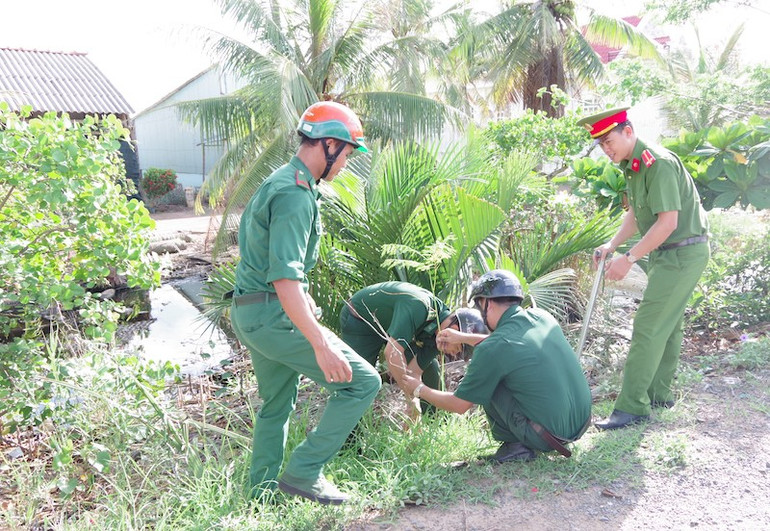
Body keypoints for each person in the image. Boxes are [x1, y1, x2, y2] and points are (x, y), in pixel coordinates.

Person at [229, 101, 382, 505]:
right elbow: (284, 277)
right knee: (362, 383)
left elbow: (271, 263)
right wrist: (320, 343)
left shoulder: (280, 181)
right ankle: (304, 472)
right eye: (347, 154)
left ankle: (260, 496)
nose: (346, 163)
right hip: (274, 316)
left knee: (276, 404)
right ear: (329, 145)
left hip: (251, 312)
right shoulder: (295, 195)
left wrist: (303, 297)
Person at [577, 107, 710, 430]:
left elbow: (668, 223)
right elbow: (637, 213)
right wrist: (612, 245)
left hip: (683, 253)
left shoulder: (657, 163)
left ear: (628, 131)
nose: (607, 150)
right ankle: (659, 395)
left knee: (648, 326)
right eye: (602, 145)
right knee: (668, 325)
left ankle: (632, 407)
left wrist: (629, 258)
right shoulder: (633, 165)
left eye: (610, 141)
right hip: (668, 254)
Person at [402, 269, 592, 462]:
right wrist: (463, 337)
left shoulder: (493, 349)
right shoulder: (542, 316)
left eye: (478, 304)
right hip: (582, 422)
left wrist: (419, 389)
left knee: (490, 377)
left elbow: (459, 404)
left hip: (548, 437)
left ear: (488, 303)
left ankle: (515, 446)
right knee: (503, 366)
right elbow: (507, 342)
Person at [339, 282, 487, 418]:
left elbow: (414, 372)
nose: (455, 355)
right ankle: (349, 443)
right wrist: (411, 400)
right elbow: (392, 353)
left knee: (431, 368)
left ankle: (431, 424)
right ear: (454, 330)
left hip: (391, 330)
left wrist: (413, 412)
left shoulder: (440, 336)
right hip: (360, 321)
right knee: (357, 383)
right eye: (459, 350)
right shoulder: (419, 306)